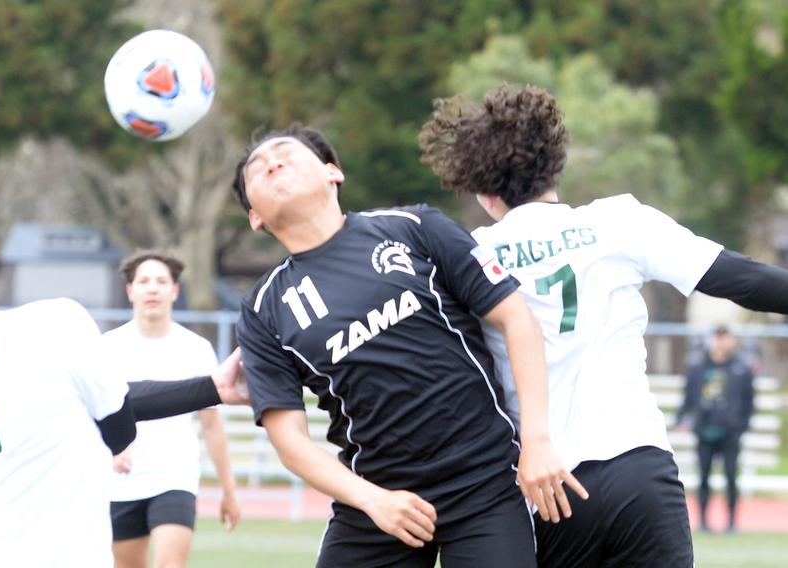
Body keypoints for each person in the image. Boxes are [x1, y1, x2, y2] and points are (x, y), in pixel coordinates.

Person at [418, 84, 788, 567]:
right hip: (639, 465)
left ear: (485, 194)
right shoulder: (619, 220)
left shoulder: (473, 256)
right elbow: (739, 278)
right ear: (557, 163)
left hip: (548, 488)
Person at [230, 125, 587, 568]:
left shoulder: (414, 227)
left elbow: (516, 318)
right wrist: (373, 500)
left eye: (285, 153)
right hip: (376, 497)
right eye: (257, 171)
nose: (273, 164)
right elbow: (291, 442)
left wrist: (536, 441)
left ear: (333, 172)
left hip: (484, 481)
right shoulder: (264, 309)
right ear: (255, 218)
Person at [0, 212, 248, 568]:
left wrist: (211, 387)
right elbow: (119, 423)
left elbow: (80, 404)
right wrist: (208, 390)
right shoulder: (54, 320)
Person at [105, 250, 240, 568]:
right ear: (130, 290)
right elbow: (97, 417)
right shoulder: (107, 348)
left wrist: (229, 489)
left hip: (175, 476)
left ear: (175, 291)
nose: (153, 288)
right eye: (144, 281)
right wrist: (113, 449)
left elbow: (211, 425)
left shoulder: (195, 349)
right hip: (122, 482)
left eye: (162, 281)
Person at [677, 324, 755, 533]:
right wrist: (682, 419)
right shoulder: (698, 367)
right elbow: (688, 396)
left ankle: (731, 522)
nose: (721, 341)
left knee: (731, 476)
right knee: (703, 477)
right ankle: (703, 521)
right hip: (704, 430)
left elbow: (749, 400)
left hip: (730, 432)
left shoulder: (741, 367)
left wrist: (741, 426)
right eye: (717, 336)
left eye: (725, 336)